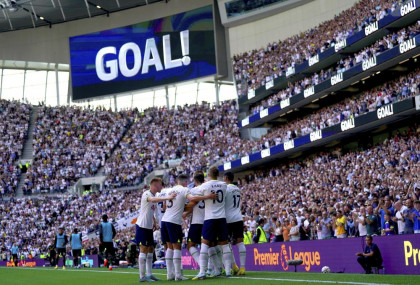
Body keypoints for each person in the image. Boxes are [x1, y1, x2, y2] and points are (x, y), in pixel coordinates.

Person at [161, 174, 215, 281]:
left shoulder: (169, 190)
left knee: (169, 247)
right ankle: (178, 275)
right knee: (177, 247)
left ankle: (169, 274)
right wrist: (207, 197)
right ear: (186, 182)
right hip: (174, 222)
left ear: (177, 181)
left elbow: (164, 206)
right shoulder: (185, 190)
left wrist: (181, 208)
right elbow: (193, 199)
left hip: (164, 221)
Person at [193, 166, 233, 280]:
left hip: (210, 218)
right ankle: (228, 271)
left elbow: (194, 195)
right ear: (218, 175)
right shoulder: (224, 185)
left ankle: (202, 272)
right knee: (224, 244)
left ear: (208, 175)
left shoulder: (205, 185)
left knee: (205, 244)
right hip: (221, 217)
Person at [135, 177, 176, 282]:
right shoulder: (147, 194)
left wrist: (154, 222)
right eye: (159, 185)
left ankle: (149, 275)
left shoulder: (154, 195)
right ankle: (142, 277)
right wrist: (167, 198)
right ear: (154, 185)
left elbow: (151, 210)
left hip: (148, 226)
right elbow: (152, 200)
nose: (161, 186)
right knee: (143, 249)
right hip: (142, 226)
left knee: (150, 250)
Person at [223, 171, 246, 275]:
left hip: (228, 219)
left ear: (226, 178)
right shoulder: (237, 189)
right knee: (240, 242)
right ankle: (243, 268)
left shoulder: (226, 188)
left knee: (227, 244)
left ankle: (234, 265)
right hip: (238, 217)